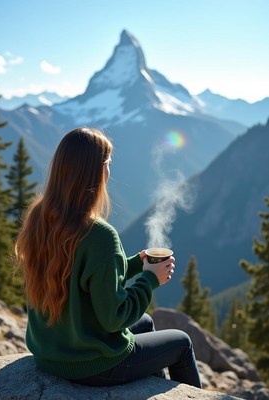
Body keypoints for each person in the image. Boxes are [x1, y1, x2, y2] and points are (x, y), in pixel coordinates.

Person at [15, 127, 202, 388]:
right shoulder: (100, 235)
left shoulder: (40, 217)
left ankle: (150, 391)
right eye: (108, 164)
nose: (109, 172)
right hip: (92, 366)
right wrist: (148, 279)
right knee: (182, 343)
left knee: (145, 322)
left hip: (50, 353)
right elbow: (114, 318)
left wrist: (136, 263)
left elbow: (84, 279)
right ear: (95, 171)